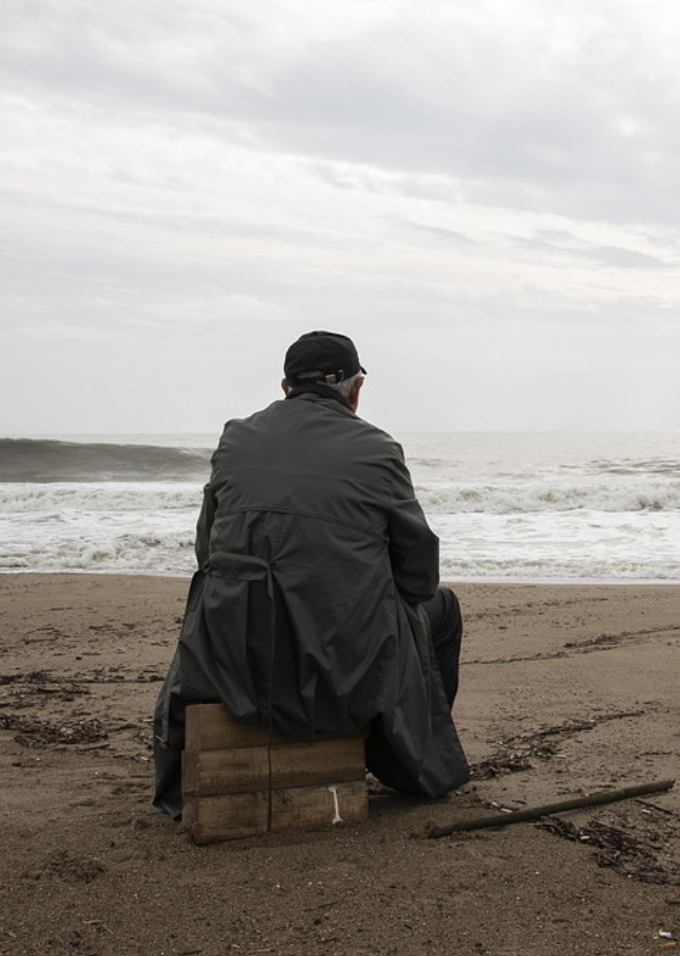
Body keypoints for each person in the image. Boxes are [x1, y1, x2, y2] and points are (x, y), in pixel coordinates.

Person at [152, 330, 469, 818]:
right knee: (441, 610)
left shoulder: (235, 437)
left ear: (285, 386)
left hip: (232, 660)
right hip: (341, 666)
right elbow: (419, 572)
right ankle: (406, 760)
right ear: (355, 388)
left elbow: (207, 551)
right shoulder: (378, 449)